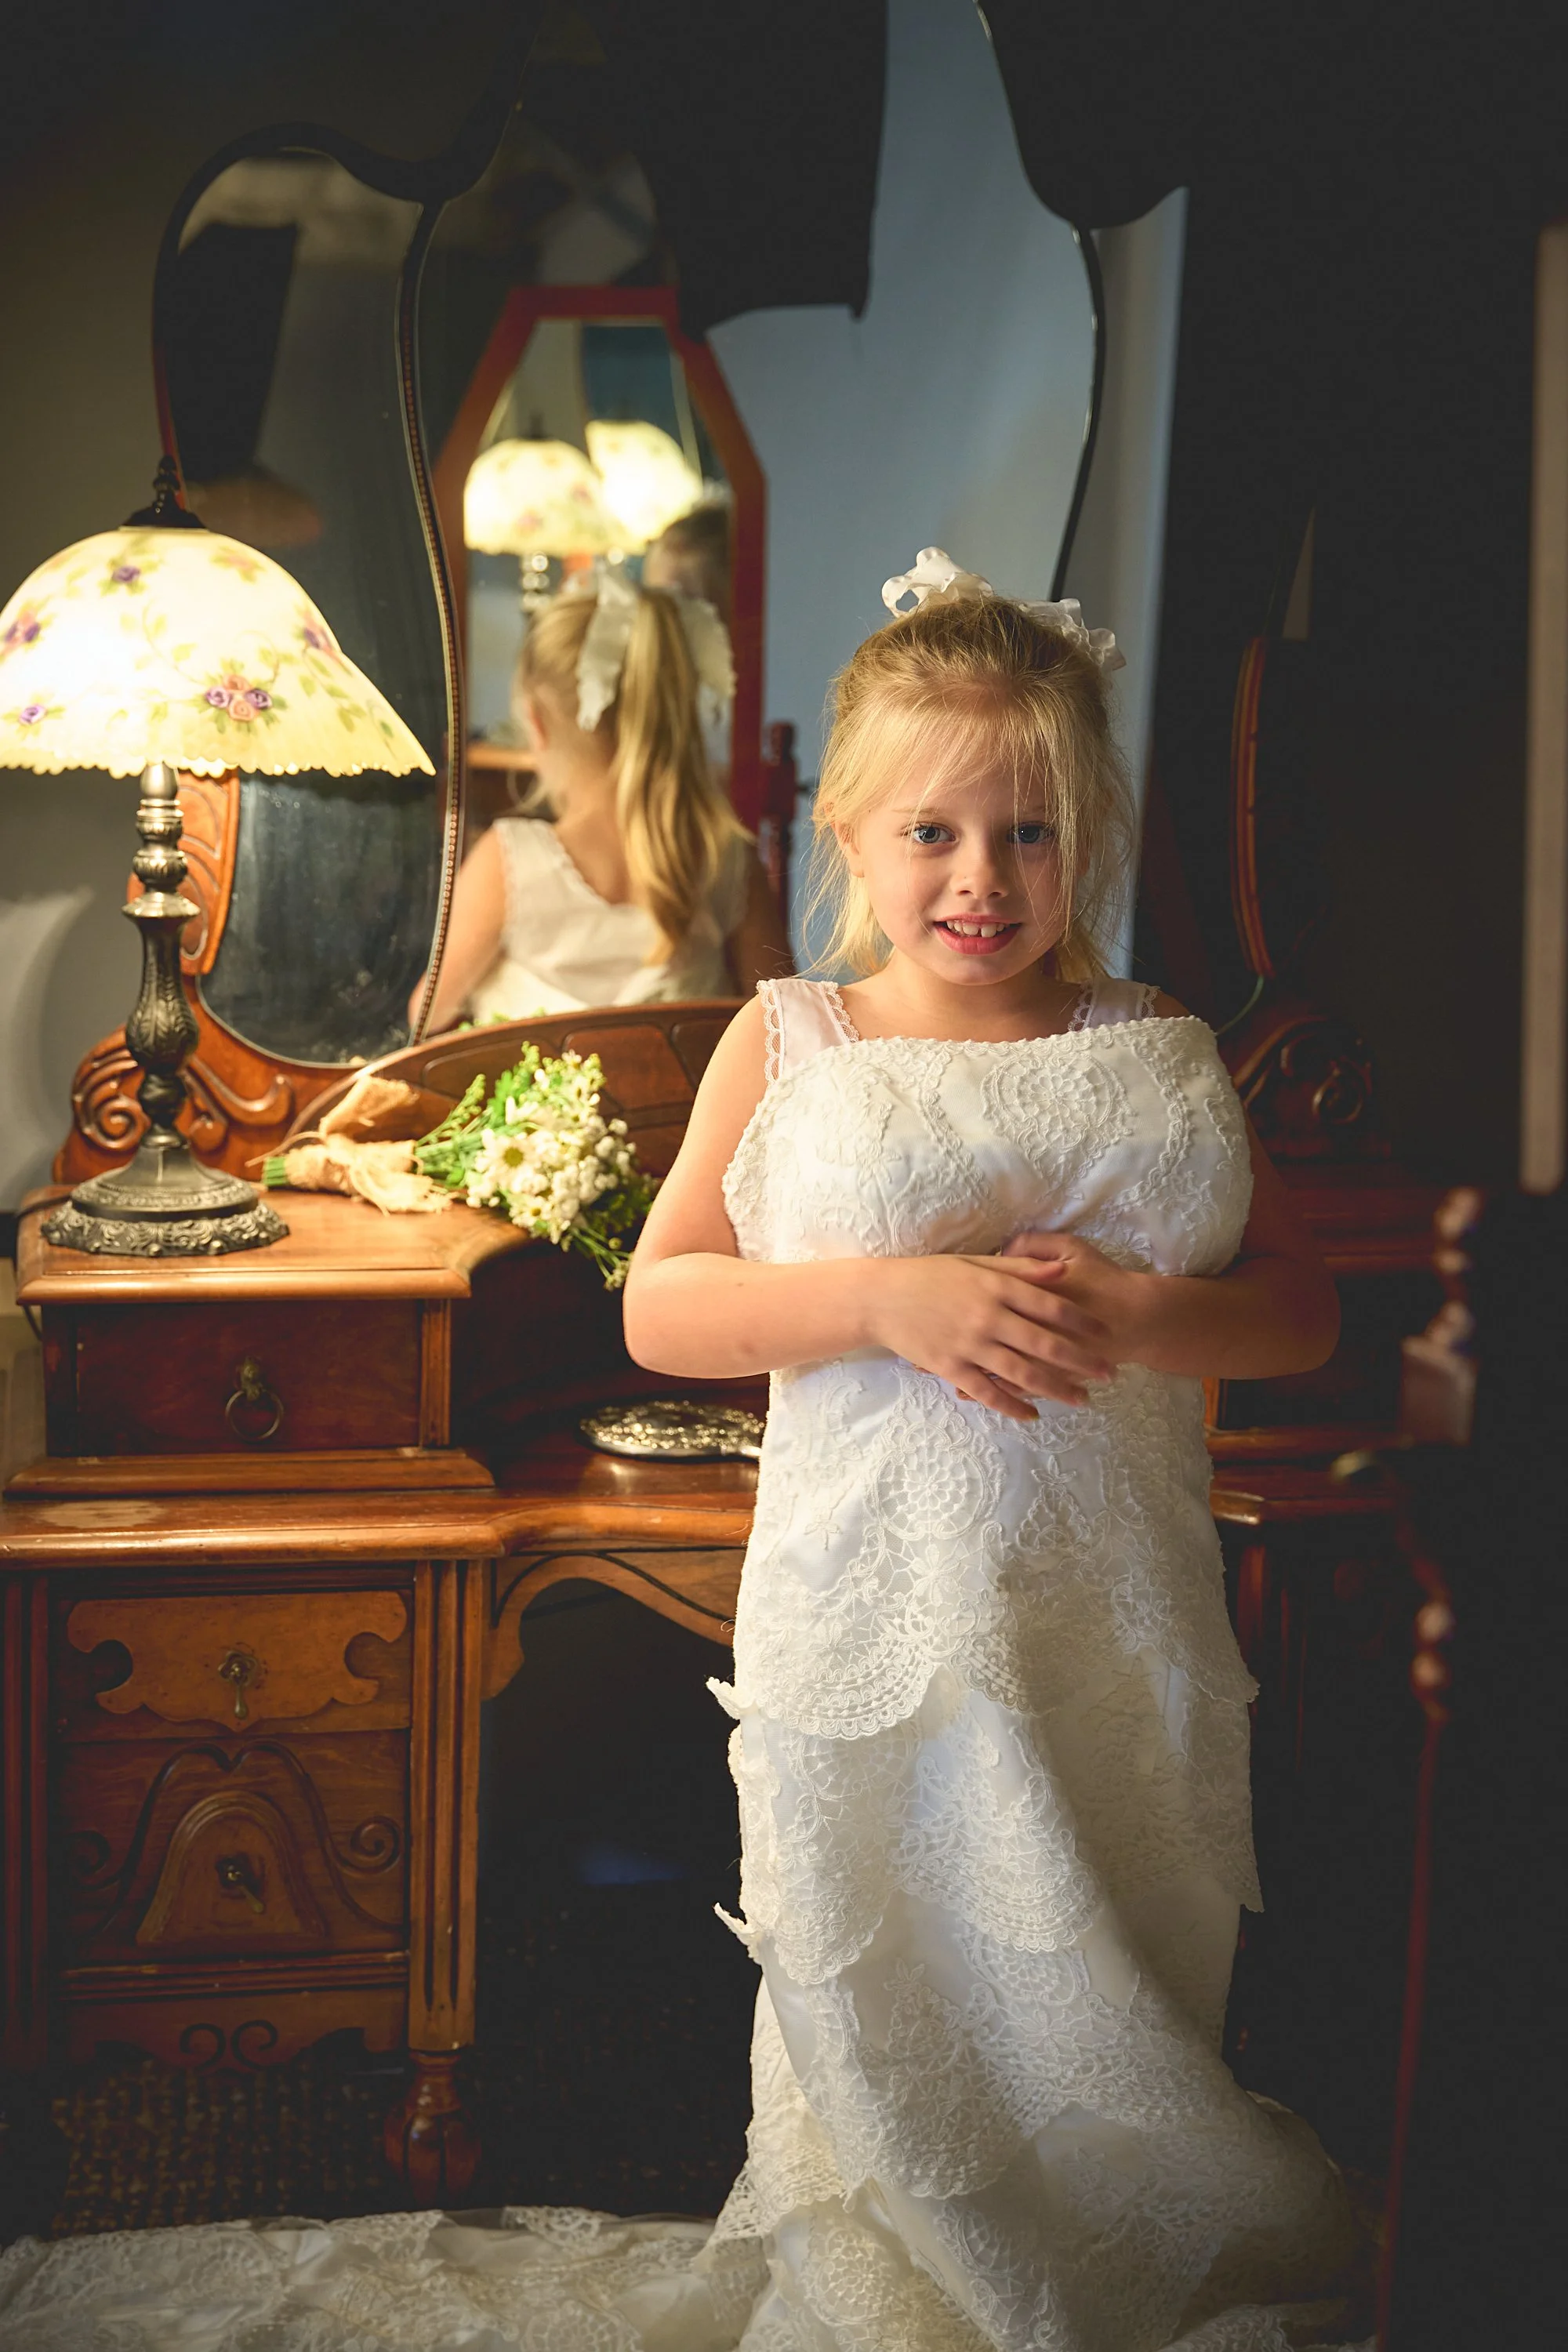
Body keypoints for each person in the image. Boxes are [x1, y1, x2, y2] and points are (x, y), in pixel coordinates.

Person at [620, 551, 1367, 2348]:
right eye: (933, 834)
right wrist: (886, 1297)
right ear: (855, 834)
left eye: (1026, 835)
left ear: (1083, 832)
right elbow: (659, 1306)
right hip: (874, 1620)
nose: (978, 880)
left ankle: (1122, 2270)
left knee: (1112, 1992)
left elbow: (1300, 1313)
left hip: (1106, 1623)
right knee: (893, 2008)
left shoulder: (1152, 1046)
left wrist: (1134, 1312)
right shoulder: (793, 1036)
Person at [416, 566, 789, 1031]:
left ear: (535, 723)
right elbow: (784, 1031)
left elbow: (423, 1021)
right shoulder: (728, 864)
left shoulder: (508, 863)